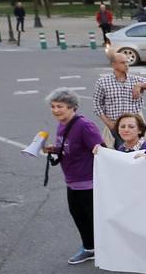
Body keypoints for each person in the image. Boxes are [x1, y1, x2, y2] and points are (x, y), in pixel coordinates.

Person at [44, 89, 104, 264]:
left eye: (60, 106)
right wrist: (53, 149)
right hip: (72, 181)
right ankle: (90, 248)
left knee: (95, 219)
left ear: (72, 107)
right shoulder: (62, 124)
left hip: (88, 182)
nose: (55, 110)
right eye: (53, 106)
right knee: (78, 216)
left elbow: (101, 150)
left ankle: (108, 250)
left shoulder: (85, 126)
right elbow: (67, 148)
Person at [92, 55, 146, 146]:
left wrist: (140, 85)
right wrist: (108, 123)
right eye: (123, 62)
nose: (126, 65)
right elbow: (97, 104)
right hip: (115, 125)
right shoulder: (103, 82)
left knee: (139, 152)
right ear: (114, 65)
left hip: (134, 126)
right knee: (118, 153)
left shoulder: (135, 79)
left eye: (127, 62)